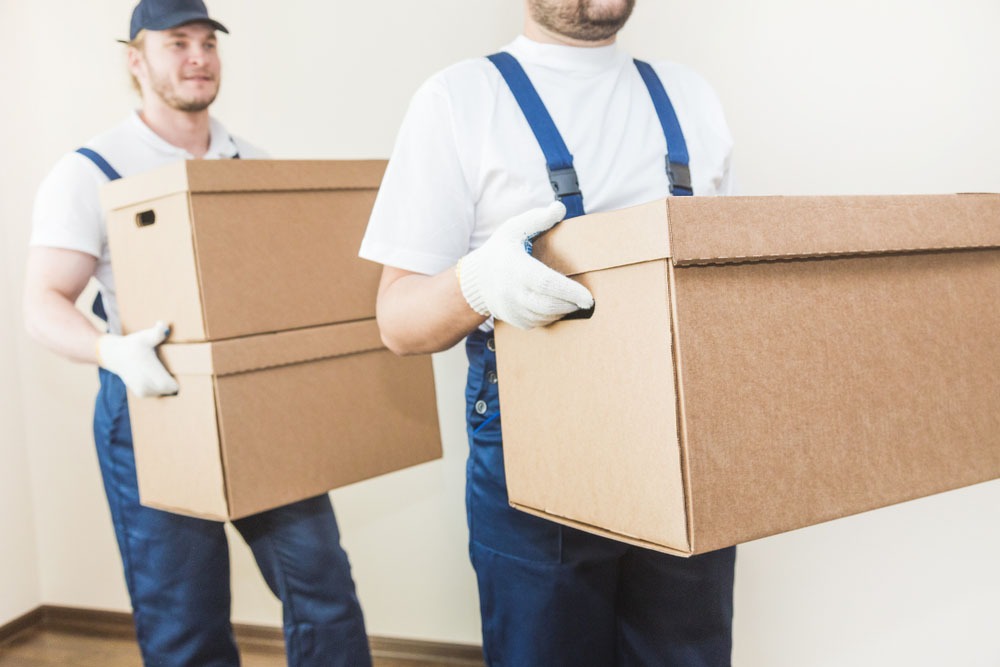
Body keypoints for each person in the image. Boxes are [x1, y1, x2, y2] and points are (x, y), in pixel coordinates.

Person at [360, 0, 737, 664]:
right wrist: (476, 283)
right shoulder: (459, 100)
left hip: (688, 434)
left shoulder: (691, 97)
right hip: (535, 436)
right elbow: (396, 321)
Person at [23, 1, 371, 665]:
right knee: (186, 618)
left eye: (209, 42)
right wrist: (111, 351)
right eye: (177, 42)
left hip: (260, 406)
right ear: (136, 59)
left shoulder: (253, 163)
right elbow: (42, 303)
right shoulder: (92, 170)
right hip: (154, 408)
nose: (198, 57)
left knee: (322, 583)